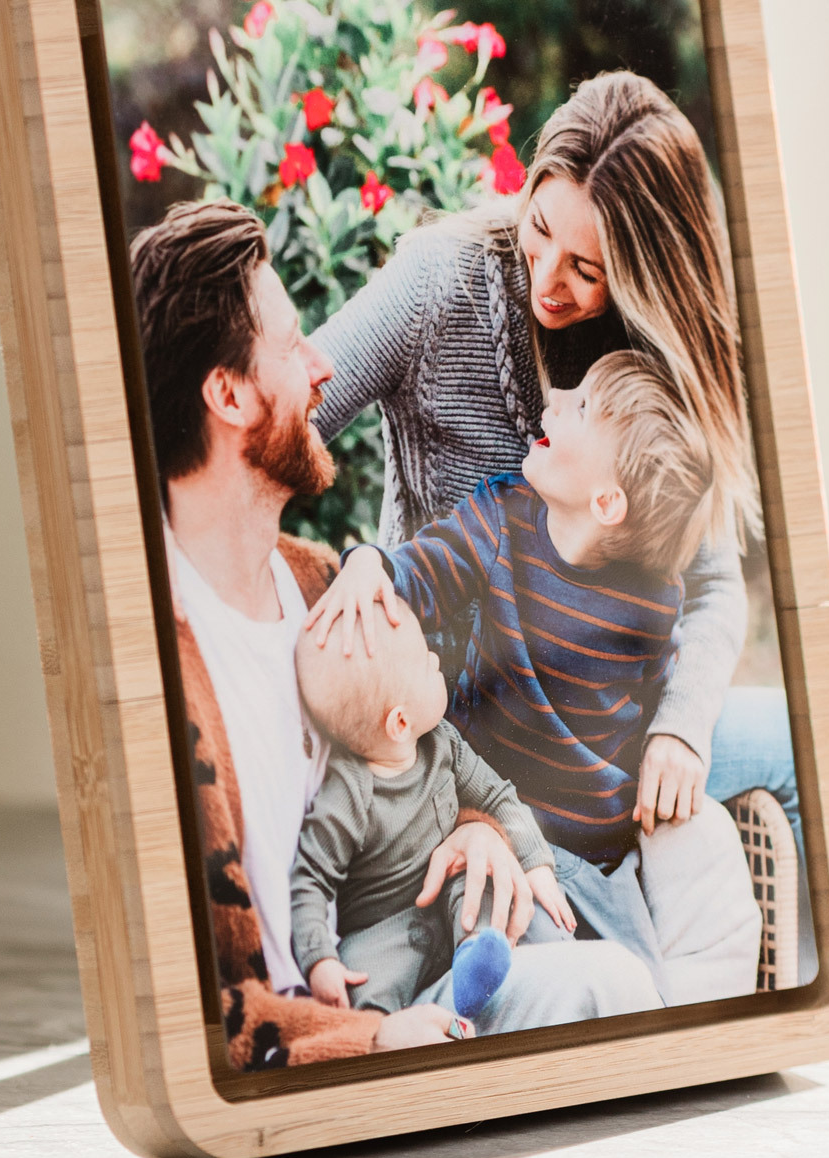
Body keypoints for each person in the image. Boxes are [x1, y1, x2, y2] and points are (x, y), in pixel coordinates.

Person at [128, 196, 661, 1072]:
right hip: (321, 1048)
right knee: (614, 991)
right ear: (226, 394)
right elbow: (211, 1020)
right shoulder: (163, 674)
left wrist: (476, 829)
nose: (323, 368)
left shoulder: (329, 592)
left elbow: (417, 756)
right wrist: (371, 1037)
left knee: (615, 981)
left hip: (428, 979)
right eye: (292, 348)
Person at [310, 70, 808, 950]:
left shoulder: (653, 358)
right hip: (474, 737)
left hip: (612, 724)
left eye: (588, 269)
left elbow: (711, 584)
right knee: (570, 940)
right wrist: (340, 573)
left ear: (647, 273)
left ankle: (762, 985)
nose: (547, 279)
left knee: (803, 745)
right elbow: (290, 412)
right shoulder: (440, 283)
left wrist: (680, 732)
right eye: (538, 230)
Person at [307, 353, 763, 1005]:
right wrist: (367, 566)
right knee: (511, 933)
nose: (556, 397)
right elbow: (418, 574)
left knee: (639, 985)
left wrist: (676, 743)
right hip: (489, 822)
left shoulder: (655, 599)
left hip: (598, 854)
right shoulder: (500, 517)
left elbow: (650, 704)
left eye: (581, 406)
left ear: (607, 502)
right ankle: (455, 989)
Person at [290, 598, 573, 1021]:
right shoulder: (348, 793)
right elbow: (310, 879)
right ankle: (386, 1030)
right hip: (385, 930)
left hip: (453, 897)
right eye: (426, 661)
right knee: (362, 982)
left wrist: (536, 864)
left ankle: (476, 961)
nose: (436, 658)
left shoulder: (442, 744)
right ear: (400, 723)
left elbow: (497, 796)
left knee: (480, 883)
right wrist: (320, 960)